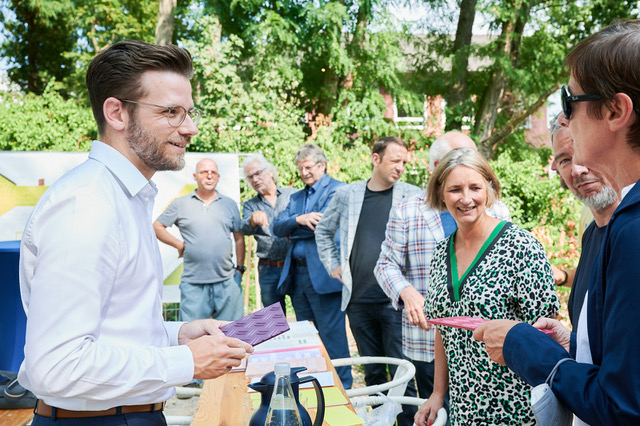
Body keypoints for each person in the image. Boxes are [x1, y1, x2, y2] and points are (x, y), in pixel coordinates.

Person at [18, 40, 252, 425]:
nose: (190, 128)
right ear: (117, 113)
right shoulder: (88, 204)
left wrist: (180, 335)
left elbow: (115, 330)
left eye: (189, 112)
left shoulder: (123, 196)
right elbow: (57, 365)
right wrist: (187, 361)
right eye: (172, 113)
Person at [474, 19, 640, 425]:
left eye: (569, 102)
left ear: (616, 110)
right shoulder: (618, 225)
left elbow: (622, 408)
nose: (564, 119)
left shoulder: (633, 230)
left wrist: (520, 342)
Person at [415, 148, 559, 425]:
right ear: (441, 193)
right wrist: (436, 393)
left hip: (516, 404)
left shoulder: (520, 246)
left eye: (475, 187)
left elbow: (546, 331)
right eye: (455, 189)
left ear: (489, 189)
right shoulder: (440, 252)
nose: (466, 198)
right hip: (463, 406)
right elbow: (444, 329)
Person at [374, 131, 511, 403]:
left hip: (485, 343)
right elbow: (385, 264)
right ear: (438, 169)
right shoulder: (407, 211)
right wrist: (407, 293)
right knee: (438, 410)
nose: (466, 196)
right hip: (428, 339)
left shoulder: (498, 212)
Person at [315, 136, 420, 425]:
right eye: (395, 160)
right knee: (373, 372)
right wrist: (333, 265)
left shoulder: (413, 194)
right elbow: (323, 230)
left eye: (404, 163)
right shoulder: (347, 194)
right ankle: (380, 422)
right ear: (376, 159)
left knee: (404, 373)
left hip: (397, 300)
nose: (400, 167)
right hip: (358, 299)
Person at [272, 143, 352, 388]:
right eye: (300, 168)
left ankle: (344, 388)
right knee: (307, 338)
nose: (304, 172)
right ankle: (316, 387)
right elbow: (276, 227)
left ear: (322, 165)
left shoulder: (337, 190)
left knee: (333, 337)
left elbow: (325, 229)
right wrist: (299, 219)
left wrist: (292, 230)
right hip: (297, 276)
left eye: (308, 167)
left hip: (325, 275)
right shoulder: (296, 197)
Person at [549, 114, 619, 328]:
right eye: (565, 160)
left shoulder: (631, 230)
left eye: (586, 151)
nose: (578, 169)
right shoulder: (591, 232)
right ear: (556, 170)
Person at [154, 158, 245, 322]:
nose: (209, 176)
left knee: (233, 334)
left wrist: (239, 270)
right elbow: (157, 226)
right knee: (193, 338)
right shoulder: (180, 204)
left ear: (218, 177)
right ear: (195, 176)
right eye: (204, 172)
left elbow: (239, 238)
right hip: (193, 284)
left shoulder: (229, 204)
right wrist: (179, 245)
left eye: (213, 173)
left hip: (227, 282)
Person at [240, 154, 296, 310]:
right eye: (250, 177)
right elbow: (243, 229)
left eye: (258, 173)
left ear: (270, 172)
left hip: (295, 266)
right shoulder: (250, 205)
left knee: (304, 314)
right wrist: (252, 220)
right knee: (274, 320)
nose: (255, 179)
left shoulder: (292, 195)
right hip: (268, 269)